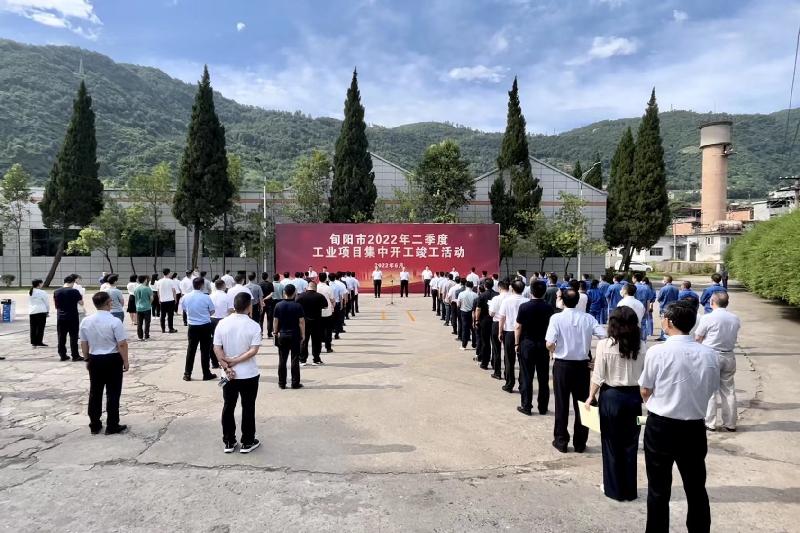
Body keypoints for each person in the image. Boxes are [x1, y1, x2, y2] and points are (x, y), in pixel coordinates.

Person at [639, 300, 719, 533]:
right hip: (693, 427)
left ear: (670, 322)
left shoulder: (658, 352)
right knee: (696, 487)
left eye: (663, 317)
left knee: (658, 488)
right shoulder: (709, 354)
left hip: (661, 426)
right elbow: (711, 388)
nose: (662, 320)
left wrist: (655, 402)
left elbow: (645, 389)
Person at [585, 306, 646, 501]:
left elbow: (598, 375)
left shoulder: (605, 345)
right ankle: (629, 490)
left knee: (611, 443)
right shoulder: (642, 346)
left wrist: (591, 396)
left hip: (611, 398)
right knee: (631, 443)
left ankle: (613, 489)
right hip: (634, 400)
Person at [545, 289, 607, 453]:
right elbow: (605, 337)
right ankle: (580, 443)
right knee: (584, 405)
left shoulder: (556, 318)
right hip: (582, 366)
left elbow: (549, 343)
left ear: (562, 301)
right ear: (578, 300)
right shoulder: (588, 318)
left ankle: (561, 440)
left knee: (561, 404)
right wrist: (597, 358)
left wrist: (555, 350)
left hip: (562, 365)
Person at [214, 291, 264, 454]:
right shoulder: (254, 325)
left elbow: (217, 348)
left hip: (228, 375)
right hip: (248, 374)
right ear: (249, 306)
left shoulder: (222, 323)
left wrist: (227, 367)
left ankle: (229, 441)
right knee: (248, 407)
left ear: (234, 306)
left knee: (228, 406)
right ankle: (248, 441)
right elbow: (253, 350)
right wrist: (235, 361)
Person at [79, 291, 130, 435]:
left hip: (95, 358)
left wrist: (87, 358)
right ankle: (112, 424)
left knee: (95, 392)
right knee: (113, 393)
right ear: (109, 303)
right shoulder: (115, 321)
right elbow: (122, 344)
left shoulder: (86, 321)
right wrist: (125, 361)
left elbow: (84, 343)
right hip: (112, 359)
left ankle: (94, 424)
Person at [696, 292, 740, 432]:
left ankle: (710, 422)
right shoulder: (735, 318)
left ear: (712, 302)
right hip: (729, 355)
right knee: (729, 390)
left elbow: (698, 338)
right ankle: (730, 423)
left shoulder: (707, 318)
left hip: (711, 355)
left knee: (710, 390)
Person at [515, 280, 554, 415]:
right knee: (543, 378)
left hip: (527, 343)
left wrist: (516, 343)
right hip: (543, 345)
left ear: (531, 291)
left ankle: (526, 406)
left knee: (527, 376)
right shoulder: (549, 308)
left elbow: (518, 327)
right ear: (544, 292)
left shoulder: (524, 307)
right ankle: (543, 407)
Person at [182, 277, 217, 382]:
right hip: (205, 325)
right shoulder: (206, 297)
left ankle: (187, 374)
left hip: (192, 326)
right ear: (202, 285)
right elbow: (212, 311)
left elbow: (184, 309)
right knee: (205, 351)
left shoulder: (186, 297)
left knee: (191, 350)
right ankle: (206, 373)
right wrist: (204, 314)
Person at [496, 279, 527, 393]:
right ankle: (522, 385)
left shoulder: (507, 301)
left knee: (509, 359)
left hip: (509, 332)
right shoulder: (527, 301)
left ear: (512, 289)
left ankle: (509, 384)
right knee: (523, 360)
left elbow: (502, 318)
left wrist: (500, 332)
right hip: (523, 333)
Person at [273, 284, 305, 390]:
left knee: (282, 359)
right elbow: (301, 322)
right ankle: (295, 383)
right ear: (295, 293)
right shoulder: (298, 306)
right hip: (295, 335)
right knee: (295, 359)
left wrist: (275, 332)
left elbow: (275, 320)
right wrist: (303, 335)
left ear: (284, 293)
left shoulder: (278, 305)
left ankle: (282, 383)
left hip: (282, 334)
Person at [296, 281, 328, 366]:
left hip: (304, 322)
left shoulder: (301, 296)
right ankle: (316, 359)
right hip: (317, 322)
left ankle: (302, 360)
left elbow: (296, 306)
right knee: (316, 341)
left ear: (307, 287)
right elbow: (325, 306)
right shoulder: (320, 296)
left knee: (303, 340)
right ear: (315, 288)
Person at [54, 275, 83, 361]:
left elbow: (56, 305)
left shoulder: (56, 291)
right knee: (73, 336)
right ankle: (75, 355)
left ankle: (62, 355)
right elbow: (81, 303)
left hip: (61, 317)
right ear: (73, 282)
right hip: (72, 316)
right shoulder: (75, 291)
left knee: (61, 336)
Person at [488, 280, 509, 379]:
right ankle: (507, 374)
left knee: (496, 350)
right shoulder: (511, 298)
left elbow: (491, 313)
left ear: (500, 288)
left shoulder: (496, 298)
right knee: (508, 352)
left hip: (497, 324)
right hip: (509, 326)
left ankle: (497, 372)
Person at [475, 278, 497, 369]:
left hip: (484, 321)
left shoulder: (482, 295)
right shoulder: (497, 295)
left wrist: (476, 320)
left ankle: (485, 363)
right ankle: (495, 363)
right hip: (495, 321)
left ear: (485, 286)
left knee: (485, 342)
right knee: (495, 343)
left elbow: (478, 309)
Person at [316, 272, 336, 353]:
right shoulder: (328, 288)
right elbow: (332, 300)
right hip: (328, 312)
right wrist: (333, 307)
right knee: (328, 330)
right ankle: (328, 347)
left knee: (318, 330)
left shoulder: (316, 287)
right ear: (326, 279)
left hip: (318, 312)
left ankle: (318, 347)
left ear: (318, 278)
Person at [656, 275, 679, 341]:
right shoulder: (676, 289)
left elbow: (659, 298)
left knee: (664, 321)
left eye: (663, 279)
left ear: (666, 281)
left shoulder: (663, 289)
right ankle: (670, 335)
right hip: (673, 307)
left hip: (664, 307)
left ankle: (663, 336)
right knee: (671, 322)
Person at [457, 281, 479, 350]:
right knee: (473, 328)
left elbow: (458, 304)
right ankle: (474, 344)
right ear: (472, 286)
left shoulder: (461, 294)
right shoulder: (475, 295)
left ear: (466, 286)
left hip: (464, 312)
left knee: (465, 329)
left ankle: (464, 345)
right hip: (473, 313)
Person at [156, 268, 177, 333]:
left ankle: (163, 329)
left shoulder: (159, 281)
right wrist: (175, 299)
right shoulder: (171, 281)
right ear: (169, 273)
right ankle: (171, 328)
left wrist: (159, 299)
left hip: (162, 300)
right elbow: (174, 291)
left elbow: (158, 291)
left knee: (162, 315)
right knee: (170, 316)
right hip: (170, 300)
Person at [29, 279, 49, 348]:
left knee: (33, 328)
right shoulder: (42, 292)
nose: (42, 284)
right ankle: (39, 342)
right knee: (40, 328)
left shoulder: (30, 292)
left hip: (32, 311)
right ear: (39, 284)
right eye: (42, 283)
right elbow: (46, 303)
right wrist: (47, 311)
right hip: (41, 311)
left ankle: (34, 343)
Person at [133, 275, 153, 341]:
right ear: (145, 280)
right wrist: (149, 303)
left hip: (138, 307)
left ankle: (140, 336)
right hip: (147, 307)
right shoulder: (147, 288)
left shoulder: (136, 289)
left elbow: (136, 298)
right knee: (147, 322)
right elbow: (151, 298)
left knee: (139, 323)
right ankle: (146, 335)